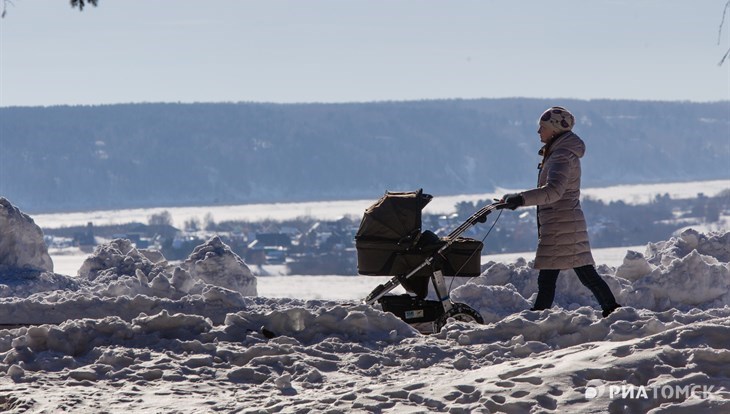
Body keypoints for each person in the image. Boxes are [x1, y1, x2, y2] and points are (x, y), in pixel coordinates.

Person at [500, 106, 621, 318]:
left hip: (562, 224)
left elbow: (553, 191)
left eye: (542, 127)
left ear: (555, 130)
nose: (538, 132)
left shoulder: (561, 157)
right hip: (562, 223)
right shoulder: (558, 153)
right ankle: (611, 310)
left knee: (566, 277)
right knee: (573, 275)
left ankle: (538, 317)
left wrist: (521, 198)